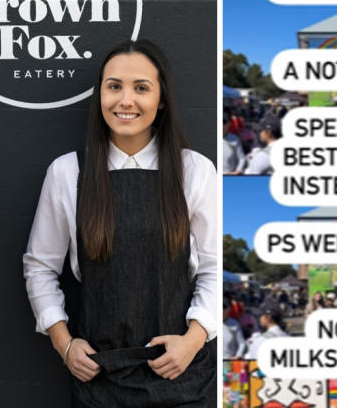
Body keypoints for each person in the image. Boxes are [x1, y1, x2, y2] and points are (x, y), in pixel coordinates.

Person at [23, 39, 216, 407]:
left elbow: (215, 267)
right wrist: (64, 344)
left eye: (141, 88)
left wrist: (192, 342)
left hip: (180, 377)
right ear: (100, 96)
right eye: (114, 87)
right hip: (100, 380)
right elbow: (39, 267)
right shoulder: (68, 172)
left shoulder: (195, 171)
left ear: (161, 101)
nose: (125, 100)